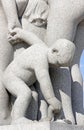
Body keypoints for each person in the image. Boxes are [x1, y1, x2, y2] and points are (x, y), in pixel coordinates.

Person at [3, 28, 75, 124]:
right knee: (25, 93)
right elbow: (44, 80)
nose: (56, 66)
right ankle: (17, 119)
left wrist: (21, 33)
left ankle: (31, 121)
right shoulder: (40, 58)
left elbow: (32, 38)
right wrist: (51, 99)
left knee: (34, 96)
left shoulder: (43, 47)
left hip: (23, 81)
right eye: (57, 63)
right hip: (11, 77)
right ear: (54, 51)